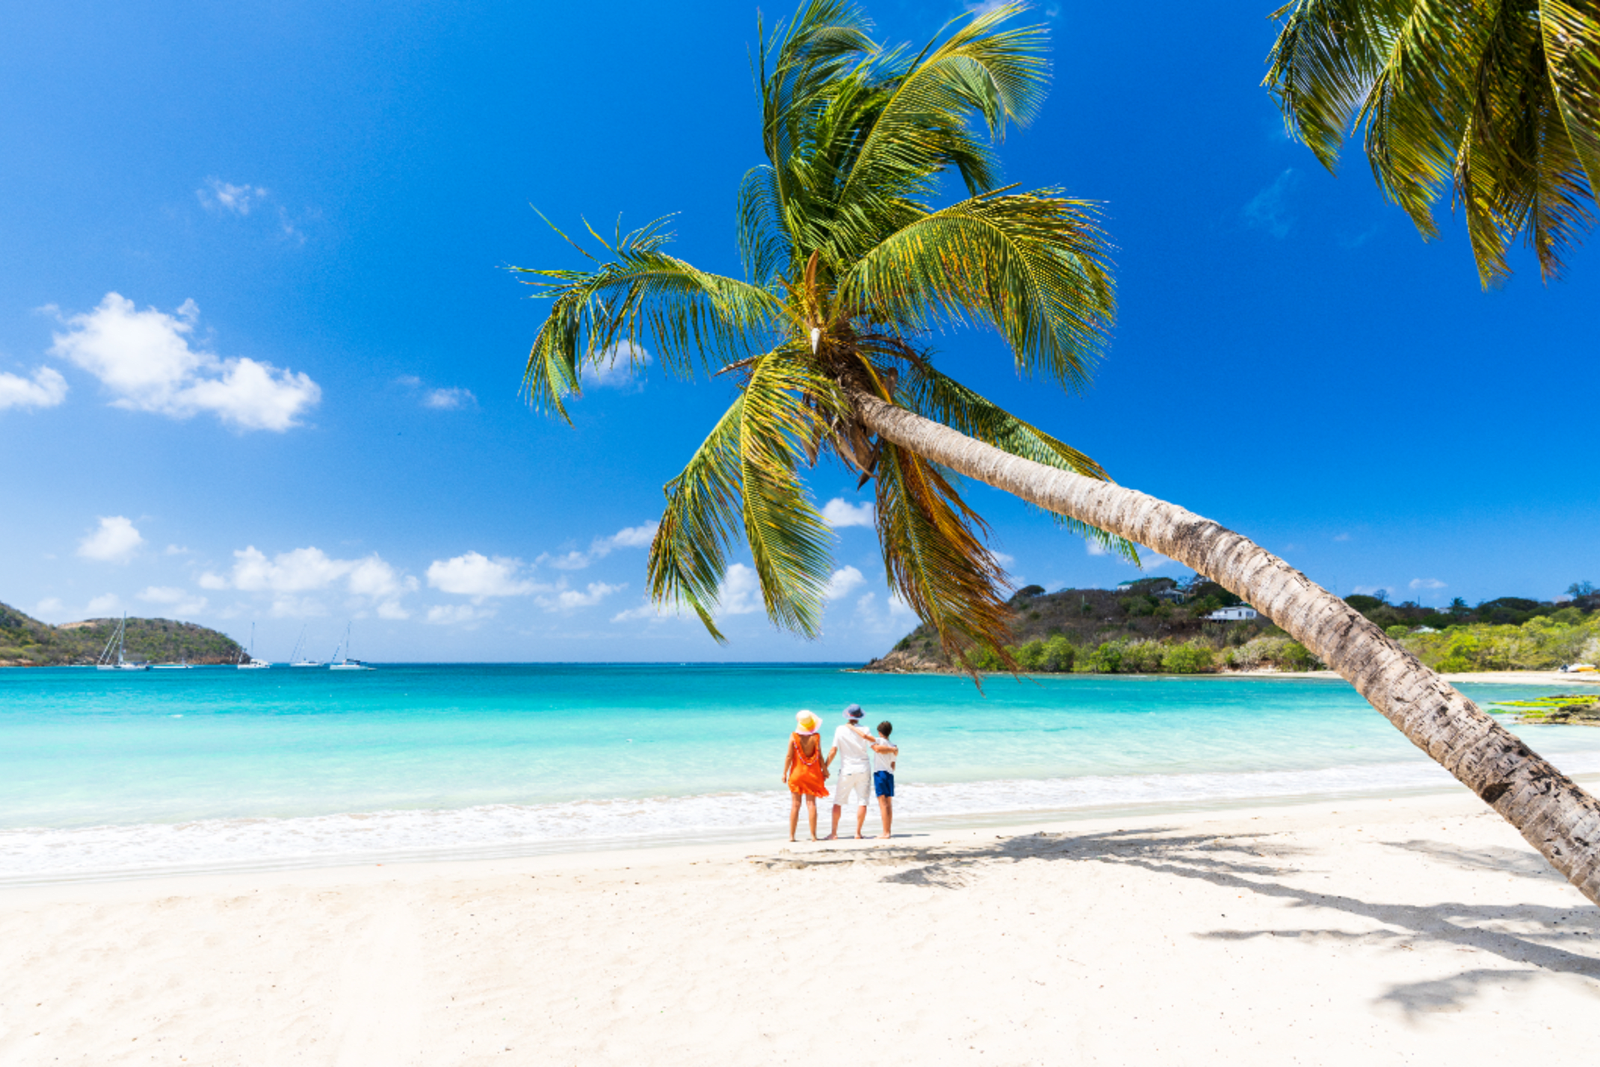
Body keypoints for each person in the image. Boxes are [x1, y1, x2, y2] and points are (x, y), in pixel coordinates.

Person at [824, 704, 875, 840]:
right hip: (863, 768)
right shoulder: (865, 729)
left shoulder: (840, 729)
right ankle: (857, 833)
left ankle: (834, 833)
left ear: (847, 716)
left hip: (847, 769)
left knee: (838, 801)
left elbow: (833, 750)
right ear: (859, 717)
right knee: (862, 801)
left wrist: (824, 767)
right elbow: (874, 746)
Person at [784, 709, 829, 842]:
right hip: (813, 774)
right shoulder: (816, 737)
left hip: (797, 774)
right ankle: (813, 836)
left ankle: (792, 836)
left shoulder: (793, 736)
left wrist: (784, 773)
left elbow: (789, 756)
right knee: (811, 804)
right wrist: (825, 770)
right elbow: (819, 756)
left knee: (795, 805)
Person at [871, 721, 898, 839]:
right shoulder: (893, 745)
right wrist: (892, 749)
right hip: (889, 774)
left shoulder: (878, 740)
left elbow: (876, 748)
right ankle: (888, 831)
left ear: (880, 732)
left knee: (882, 804)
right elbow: (893, 765)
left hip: (880, 772)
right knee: (888, 804)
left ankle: (885, 832)